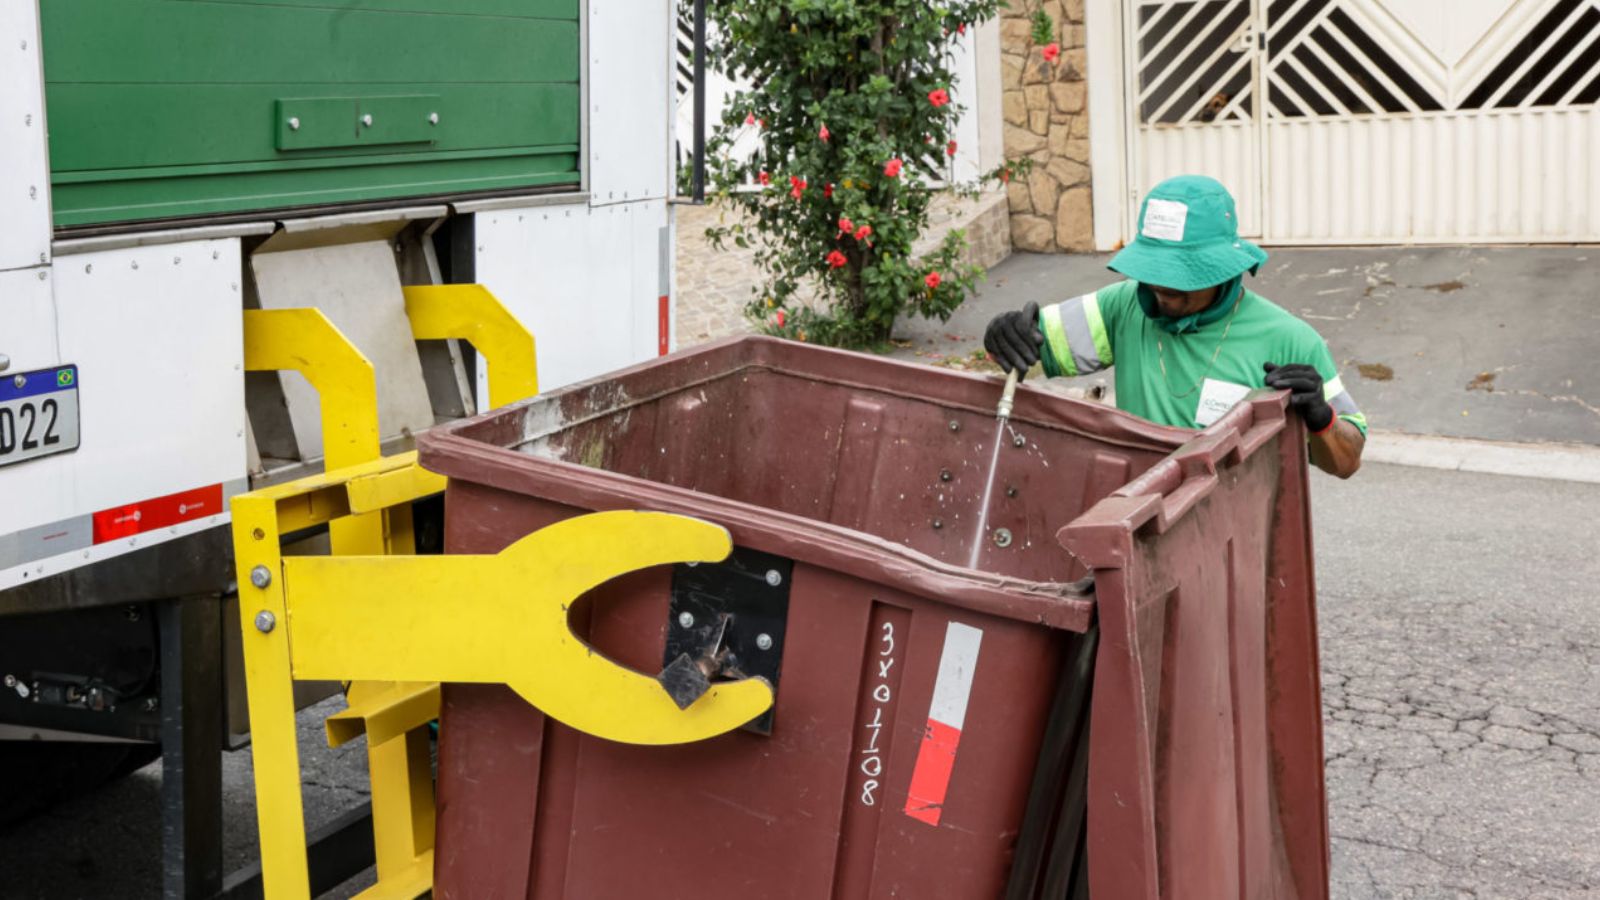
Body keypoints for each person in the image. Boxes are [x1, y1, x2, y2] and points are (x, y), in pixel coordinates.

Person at [983, 175, 1365, 478]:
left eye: (1182, 280)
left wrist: (1322, 418)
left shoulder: (1289, 340)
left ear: (1223, 269)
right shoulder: (1123, 306)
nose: (1162, 290)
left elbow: (1347, 461)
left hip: (1235, 531)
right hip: (1139, 520)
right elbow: (1025, 349)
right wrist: (1002, 335)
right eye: (1154, 274)